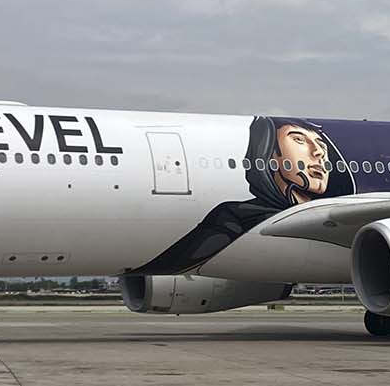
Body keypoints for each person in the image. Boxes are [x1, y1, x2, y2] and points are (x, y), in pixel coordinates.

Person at [129, 116, 354, 275]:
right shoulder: (234, 219)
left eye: (322, 146)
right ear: (270, 155)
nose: (318, 153)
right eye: (299, 140)